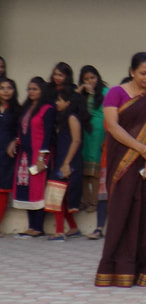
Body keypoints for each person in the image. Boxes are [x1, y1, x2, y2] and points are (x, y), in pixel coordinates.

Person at [93, 53, 146, 287]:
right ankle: (115, 269)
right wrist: (141, 149)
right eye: (142, 73)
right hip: (123, 161)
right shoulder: (116, 93)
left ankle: (145, 269)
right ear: (132, 71)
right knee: (123, 212)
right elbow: (113, 126)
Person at [12, 77, 54, 239]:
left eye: (35, 89)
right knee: (26, 189)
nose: (31, 92)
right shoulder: (27, 108)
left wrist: (42, 157)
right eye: (29, 89)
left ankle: (38, 227)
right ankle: (30, 226)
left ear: (42, 90)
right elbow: (21, 130)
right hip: (24, 155)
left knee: (37, 189)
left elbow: (47, 134)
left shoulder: (47, 109)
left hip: (39, 155)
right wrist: (16, 142)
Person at [47, 87, 85, 241]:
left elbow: (76, 140)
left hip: (69, 163)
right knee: (60, 197)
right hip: (62, 161)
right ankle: (73, 228)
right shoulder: (61, 118)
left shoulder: (72, 118)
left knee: (56, 195)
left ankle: (59, 232)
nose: (56, 103)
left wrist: (66, 163)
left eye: (59, 100)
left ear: (68, 102)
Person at [77, 65, 107, 212]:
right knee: (83, 169)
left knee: (95, 170)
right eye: (86, 79)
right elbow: (71, 104)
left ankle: (94, 202)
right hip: (84, 132)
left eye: (92, 77)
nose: (90, 81)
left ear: (98, 77)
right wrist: (81, 90)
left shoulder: (106, 92)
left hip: (99, 132)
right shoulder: (82, 93)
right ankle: (85, 200)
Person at [0, 78, 20, 231]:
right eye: (2, 88)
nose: (6, 91)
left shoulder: (17, 110)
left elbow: (22, 132)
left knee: (2, 190)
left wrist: (15, 141)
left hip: (7, 154)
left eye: (9, 88)